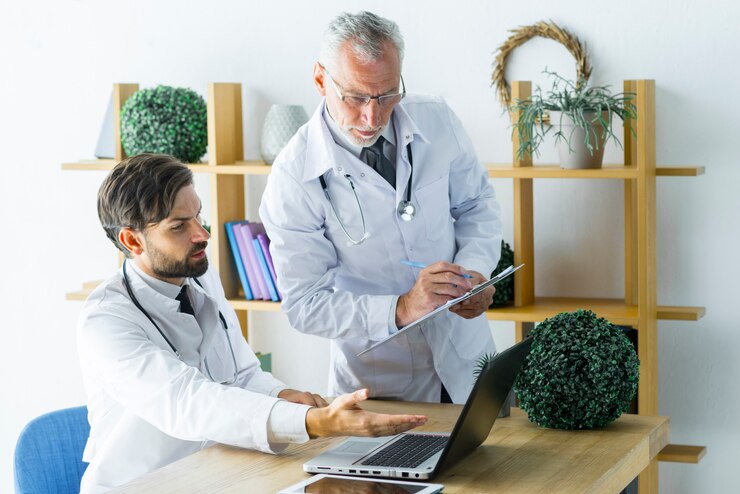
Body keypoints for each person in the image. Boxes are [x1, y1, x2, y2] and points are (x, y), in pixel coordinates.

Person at [77, 153, 427, 493]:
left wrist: (287, 397)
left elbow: (241, 375)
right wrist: (313, 424)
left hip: (215, 471)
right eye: (179, 226)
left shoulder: (197, 274)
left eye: (198, 217)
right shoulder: (106, 322)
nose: (202, 234)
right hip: (143, 485)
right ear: (132, 240)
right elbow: (189, 401)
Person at [259, 11, 503, 405]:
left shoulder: (436, 118)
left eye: (387, 94)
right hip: (383, 383)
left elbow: (476, 204)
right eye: (354, 97)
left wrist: (474, 273)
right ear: (321, 79)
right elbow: (305, 304)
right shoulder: (293, 177)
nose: (372, 116)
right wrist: (401, 308)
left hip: (468, 360)